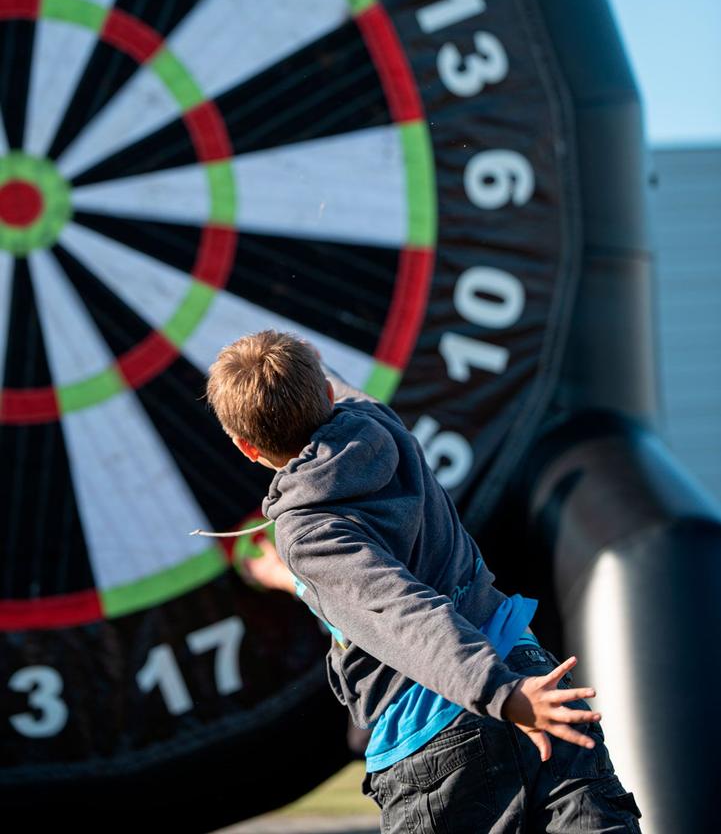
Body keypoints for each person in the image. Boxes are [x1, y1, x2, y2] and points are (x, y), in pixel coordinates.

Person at [206, 330, 642, 832]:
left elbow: (403, 613)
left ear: (245, 448)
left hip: (447, 725)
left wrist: (500, 695)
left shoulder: (306, 532)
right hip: (529, 675)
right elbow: (335, 390)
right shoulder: (380, 426)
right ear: (326, 393)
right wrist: (510, 690)